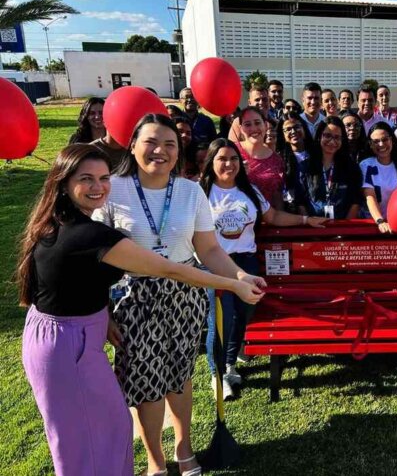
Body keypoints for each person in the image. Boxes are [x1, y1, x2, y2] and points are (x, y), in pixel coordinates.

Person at [18, 144, 263, 476]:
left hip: (71, 333)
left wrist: (102, 314)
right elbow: (169, 269)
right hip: (66, 342)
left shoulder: (57, 219)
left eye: (103, 178)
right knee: (84, 437)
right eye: (86, 179)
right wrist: (233, 284)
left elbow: (75, 280)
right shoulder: (89, 234)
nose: (98, 186)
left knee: (109, 426)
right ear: (64, 182)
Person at [93, 114, 266, 476]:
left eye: (170, 144)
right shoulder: (112, 189)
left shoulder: (190, 191)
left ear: (179, 150)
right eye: (151, 142)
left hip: (185, 295)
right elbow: (94, 258)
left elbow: (210, 249)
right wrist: (104, 313)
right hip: (134, 300)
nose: (161, 151)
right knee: (146, 384)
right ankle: (155, 459)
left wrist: (240, 275)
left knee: (180, 376)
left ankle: (183, 447)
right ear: (133, 145)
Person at [200, 139, 324, 395]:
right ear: (211, 162)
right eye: (222, 159)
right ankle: (217, 373)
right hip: (215, 264)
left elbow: (274, 216)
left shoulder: (249, 191)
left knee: (242, 315)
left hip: (246, 262)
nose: (229, 164)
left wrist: (305, 220)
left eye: (234, 159)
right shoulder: (200, 194)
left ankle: (230, 364)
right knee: (221, 320)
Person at [298, 117, 363, 219]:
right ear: (319, 136)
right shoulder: (305, 166)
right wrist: (309, 223)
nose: (332, 141)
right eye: (327, 136)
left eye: (337, 137)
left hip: (343, 225)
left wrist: (344, 226)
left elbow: (355, 202)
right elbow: (300, 201)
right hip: (312, 225)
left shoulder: (352, 168)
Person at [360, 122, 397, 233]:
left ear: (392, 140)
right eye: (376, 141)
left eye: (385, 140)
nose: (381, 144)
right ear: (370, 144)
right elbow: (370, 196)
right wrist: (380, 221)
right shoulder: (366, 165)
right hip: (374, 225)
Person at [234, 106, 285, 209]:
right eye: (247, 124)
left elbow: (278, 199)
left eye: (257, 123)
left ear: (265, 125)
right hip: (237, 215)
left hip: (269, 217)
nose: (253, 129)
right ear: (241, 129)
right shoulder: (232, 152)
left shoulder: (276, 160)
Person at [277, 113, 313, 213]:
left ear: (304, 128)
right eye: (288, 129)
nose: (293, 131)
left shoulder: (316, 154)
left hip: (316, 208)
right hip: (292, 210)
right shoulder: (279, 159)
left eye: (297, 127)